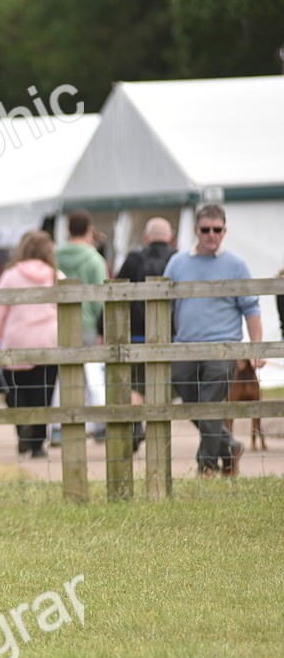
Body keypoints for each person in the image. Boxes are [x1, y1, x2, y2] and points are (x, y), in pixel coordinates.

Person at [165, 204, 263, 477]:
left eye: (216, 229)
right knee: (193, 404)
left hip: (223, 347)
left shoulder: (237, 265)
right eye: (205, 229)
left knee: (208, 404)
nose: (211, 234)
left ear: (224, 230)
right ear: (196, 230)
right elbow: (164, 307)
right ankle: (230, 445)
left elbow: (252, 309)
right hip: (184, 346)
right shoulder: (177, 263)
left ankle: (206, 466)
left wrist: (257, 346)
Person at [0, 230, 60, 458]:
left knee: (16, 389)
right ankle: (38, 444)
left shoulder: (11, 276)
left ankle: (23, 430)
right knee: (44, 393)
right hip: (48, 340)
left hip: (17, 339)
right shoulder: (56, 276)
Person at [114, 218, 177, 450]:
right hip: (169, 336)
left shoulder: (133, 259)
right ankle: (159, 437)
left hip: (135, 335)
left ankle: (136, 426)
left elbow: (115, 293)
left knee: (135, 385)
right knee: (160, 384)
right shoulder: (178, 259)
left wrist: (106, 330)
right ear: (171, 237)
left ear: (145, 236)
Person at [56, 210, 108, 439]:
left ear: (68, 229)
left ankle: (58, 427)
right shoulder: (94, 258)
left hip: (59, 322)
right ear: (88, 230)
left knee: (62, 376)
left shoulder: (54, 255)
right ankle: (100, 423)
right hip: (87, 323)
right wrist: (101, 327)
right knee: (93, 374)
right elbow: (101, 296)